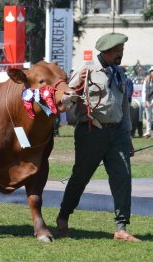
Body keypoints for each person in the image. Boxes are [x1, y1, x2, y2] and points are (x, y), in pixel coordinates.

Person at [56, 32, 141, 242]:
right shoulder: (86, 70)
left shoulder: (119, 73)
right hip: (91, 132)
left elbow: (123, 106)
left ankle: (121, 228)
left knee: (123, 178)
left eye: (121, 50)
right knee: (80, 177)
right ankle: (63, 216)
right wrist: (76, 87)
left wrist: (128, 135)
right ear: (106, 51)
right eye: (117, 51)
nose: (121, 54)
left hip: (118, 133)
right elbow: (65, 102)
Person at [141, 66, 153, 138]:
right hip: (147, 101)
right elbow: (143, 91)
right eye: (152, 71)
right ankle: (148, 132)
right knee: (148, 117)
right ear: (150, 72)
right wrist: (144, 101)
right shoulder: (146, 80)